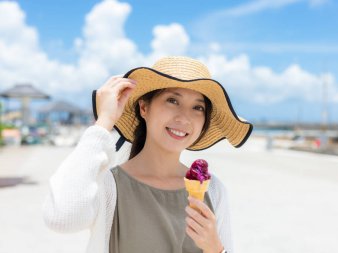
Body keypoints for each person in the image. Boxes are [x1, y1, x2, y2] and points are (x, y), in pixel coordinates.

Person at [42, 56, 253, 253]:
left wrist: (216, 249)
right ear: (144, 107)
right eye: (172, 100)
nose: (184, 117)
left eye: (197, 107)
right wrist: (104, 122)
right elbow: (62, 217)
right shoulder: (109, 186)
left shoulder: (213, 190)